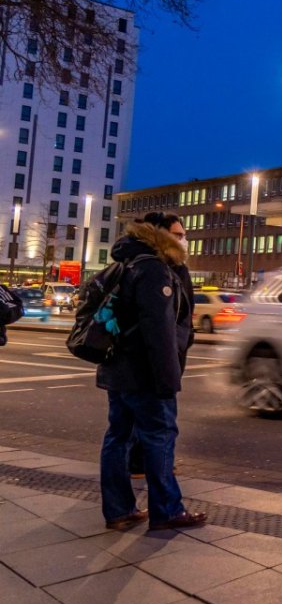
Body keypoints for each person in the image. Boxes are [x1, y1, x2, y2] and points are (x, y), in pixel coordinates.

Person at [97, 212, 206, 532]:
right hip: (145, 372)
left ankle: (118, 510)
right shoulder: (153, 269)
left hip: (118, 367)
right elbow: (159, 332)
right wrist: (167, 380)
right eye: (177, 233)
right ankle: (167, 510)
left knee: (118, 437)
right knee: (160, 436)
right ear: (157, 234)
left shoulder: (124, 262)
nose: (183, 240)